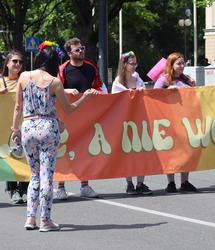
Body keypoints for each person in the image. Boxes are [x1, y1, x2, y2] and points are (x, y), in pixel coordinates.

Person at [11, 41, 99, 231]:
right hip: (48, 128)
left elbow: (18, 106)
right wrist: (85, 97)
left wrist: (15, 128)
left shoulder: (24, 77)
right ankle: (45, 220)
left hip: (28, 126)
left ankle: (30, 218)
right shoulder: (54, 82)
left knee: (33, 175)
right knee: (46, 176)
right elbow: (69, 109)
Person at [55, 37, 106, 200]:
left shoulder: (91, 67)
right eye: (77, 49)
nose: (81, 51)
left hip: (86, 115)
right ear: (69, 53)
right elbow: (57, 89)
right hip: (67, 114)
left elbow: (99, 85)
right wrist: (68, 90)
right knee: (64, 149)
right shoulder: (63, 69)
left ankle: (85, 185)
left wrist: (98, 91)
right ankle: (60, 187)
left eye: (82, 48)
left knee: (85, 150)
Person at [154, 52, 198, 193]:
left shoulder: (187, 80)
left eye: (183, 63)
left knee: (187, 152)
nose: (182, 66)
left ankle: (185, 181)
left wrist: (193, 87)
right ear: (171, 65)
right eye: (178, 63)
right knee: (171, 152)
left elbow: (195, 97)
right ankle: (171, 183)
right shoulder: (164, 80)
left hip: (186, 120)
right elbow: (153, 96)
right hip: (170, 121)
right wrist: (167, 91)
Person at [111, 51, 152, 195]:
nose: (134, 66)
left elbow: (145, 96)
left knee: (142, 150)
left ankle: (140, 183)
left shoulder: (137, 78)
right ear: (124, 65)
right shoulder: (118, 82)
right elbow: (115, 101)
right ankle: (129, 183)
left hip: (140, 118)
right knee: (127, 152)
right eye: (131, 63)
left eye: (136, 63)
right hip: (126, 120)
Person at [0, 50, 29, 204]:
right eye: (15, 61)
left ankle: (25, 189)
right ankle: (12, 191)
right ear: (7, 64)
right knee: (9, 156)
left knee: (25, 155)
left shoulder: (24, 81)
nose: (18, 64)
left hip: (24, 123)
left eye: (20, 62)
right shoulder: (1, 81)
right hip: (5, 126)